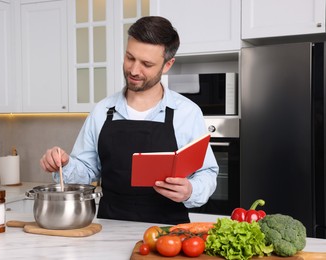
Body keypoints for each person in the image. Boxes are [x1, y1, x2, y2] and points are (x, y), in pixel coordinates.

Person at [40, 16, 218, 225]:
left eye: (146, 64)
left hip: (169, 235)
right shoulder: (101, 111)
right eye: (129, 58)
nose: (134, 70)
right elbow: (87, 172)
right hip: (108, 230)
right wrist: (65, 164)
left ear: (167, 64)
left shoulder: (187, 113)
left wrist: (190, 190)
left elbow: (207, 172)